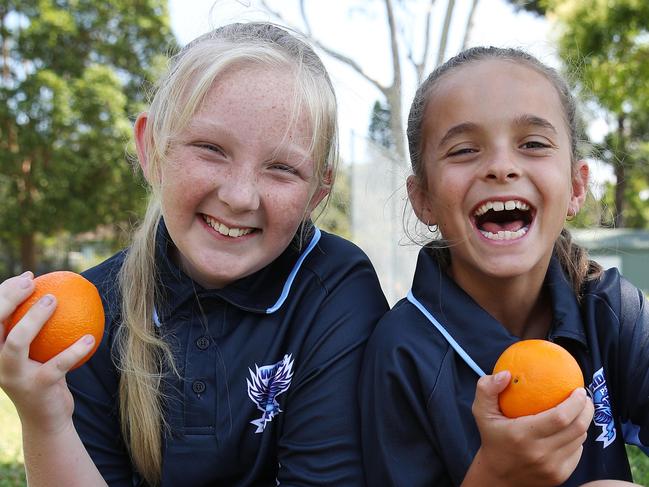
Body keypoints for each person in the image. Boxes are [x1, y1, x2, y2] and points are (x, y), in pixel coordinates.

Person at [0, 22, 388, 487]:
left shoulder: (336, 290)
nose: (241, 196)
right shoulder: (91, 311)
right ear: (151, 148)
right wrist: (46, 418)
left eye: (282, 168)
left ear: (318, 189)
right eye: (211, 149)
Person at [359, 46, 648, 487]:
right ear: (423, 199)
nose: (500, 167)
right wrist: (494, 477)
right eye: (463, 150)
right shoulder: (399, 353)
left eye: (532, 143)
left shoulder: (612, 310)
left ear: (575, 187)